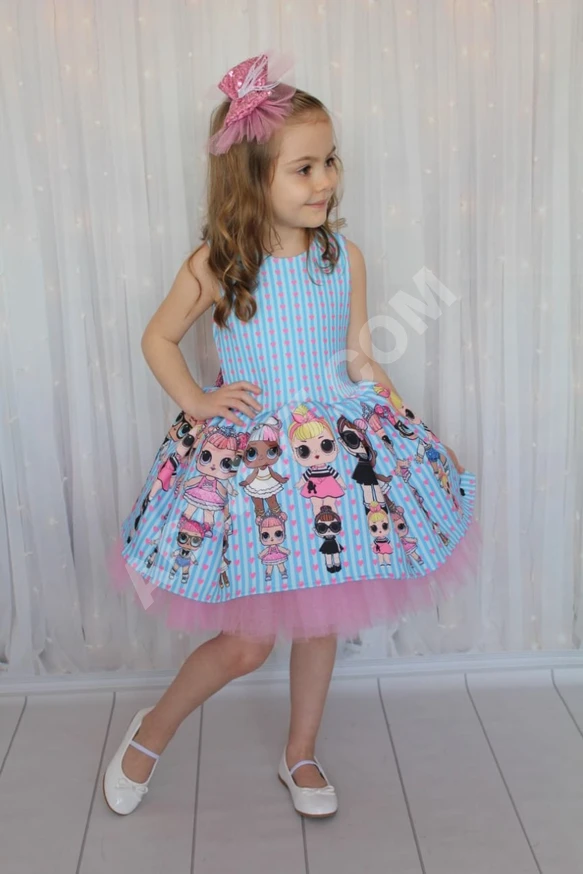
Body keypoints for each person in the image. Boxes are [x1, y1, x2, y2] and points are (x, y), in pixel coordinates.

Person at [104, 53, 480, 819]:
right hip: (255, 470)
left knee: (320, 620)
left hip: (332, 459)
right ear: (252, 180)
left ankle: (299, 752)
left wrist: (411, 430)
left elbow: (359, 356)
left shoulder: (342, 258)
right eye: (303, 168)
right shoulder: (219, 265)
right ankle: (152, 730)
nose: (324, 181)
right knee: (247, 643)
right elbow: (157, 339)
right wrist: (197, 399)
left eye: (329, 161)